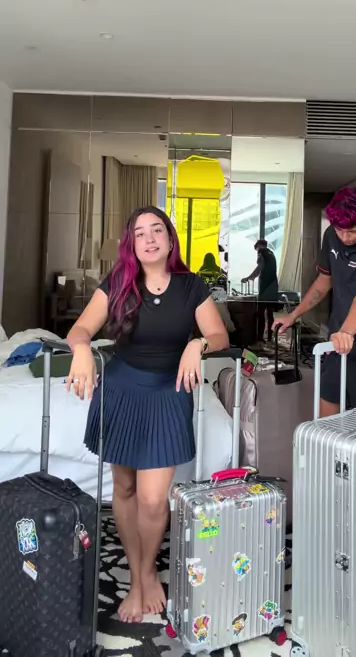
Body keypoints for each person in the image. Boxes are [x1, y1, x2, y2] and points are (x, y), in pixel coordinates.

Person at [65, 207, 229, 624]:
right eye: (140, 233)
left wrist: (197, 345)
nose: (150, 238)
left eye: (157, 230)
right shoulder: (118, 283)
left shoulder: (191, 286)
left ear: (170, 240)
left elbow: (219, 335)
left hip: (167, 393)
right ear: (132, 245)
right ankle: (141, 578)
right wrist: (81, 349)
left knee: (154, 499)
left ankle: (145, 571)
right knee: (124, 488)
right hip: (121, 391)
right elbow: (79, 330)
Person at [276, 186, 356, 416]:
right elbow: (323, 282)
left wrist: (347, 333)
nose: (345, 237)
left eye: (352, 231)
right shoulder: (331, 235)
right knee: (328, 414)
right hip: (336, 342)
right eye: (340, 230)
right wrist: (293, 316)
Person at [242, 239, 279, 343]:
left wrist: (249, 277)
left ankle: (259, 338)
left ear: (258, 246)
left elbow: (260, 267)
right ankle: (270, 337)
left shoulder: (261, 252)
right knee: (270, 314)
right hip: (273, 285)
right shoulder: (271, 253)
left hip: (266, 287)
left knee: (260, 313)